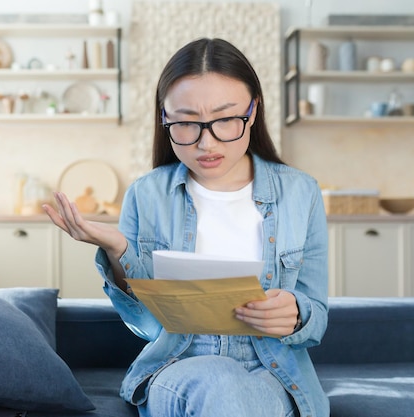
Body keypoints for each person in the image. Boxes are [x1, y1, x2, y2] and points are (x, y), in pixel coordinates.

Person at [44, 38, 329, 417]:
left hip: (273, 372)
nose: (206, 142)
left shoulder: (300, 192)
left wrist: (296, 313)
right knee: (218, 382)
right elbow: (146, 325)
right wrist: (118, 250)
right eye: (185, 123)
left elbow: (318, 317)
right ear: (164, 119)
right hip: (178, 366)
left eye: (226, 119)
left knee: (237, 396)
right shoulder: (146, 195)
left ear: (254, 110)